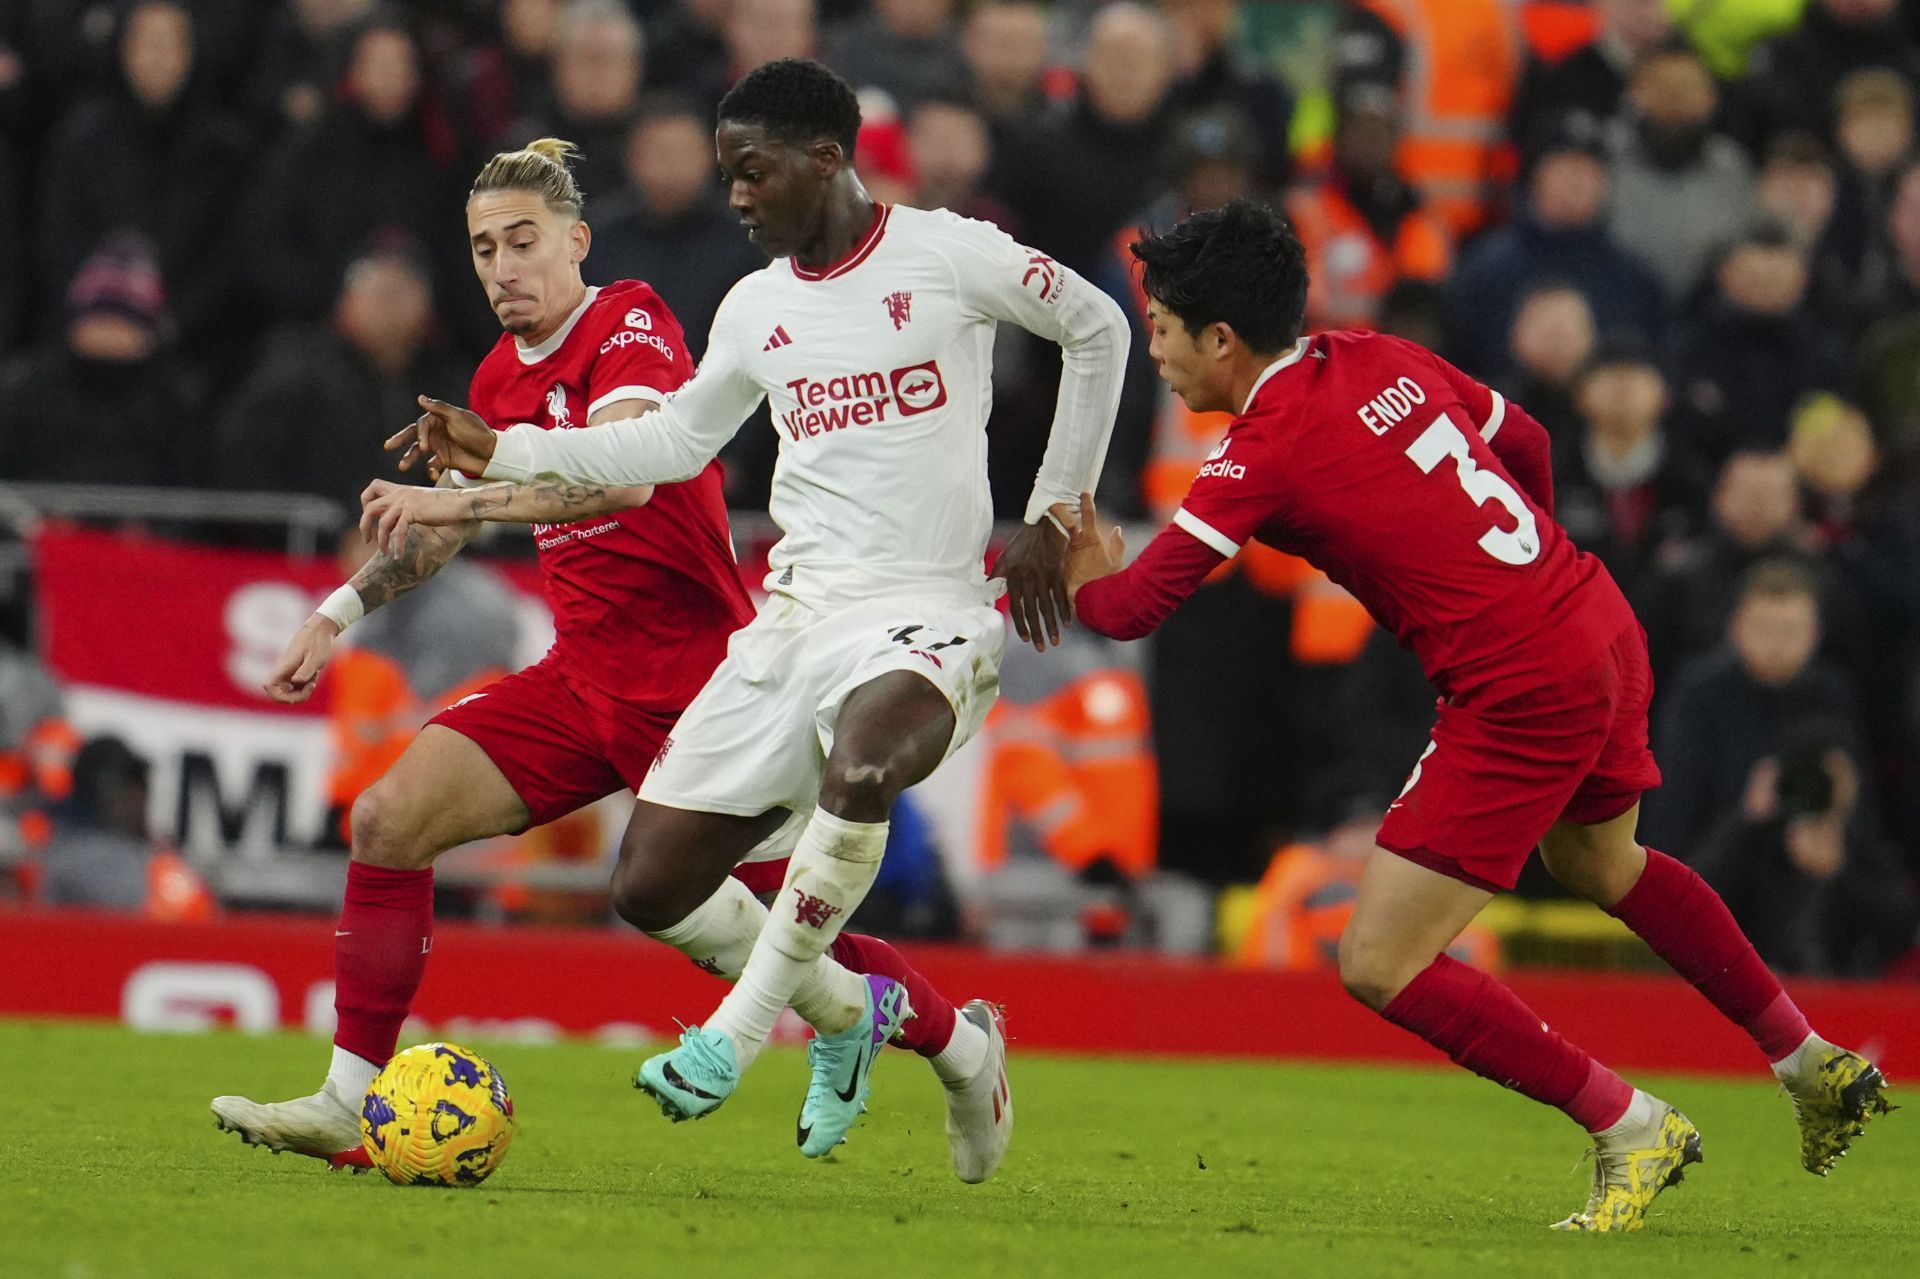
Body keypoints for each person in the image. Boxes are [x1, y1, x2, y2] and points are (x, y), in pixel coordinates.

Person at [1061, 199, 1892, 1232]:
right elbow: (1530, 440)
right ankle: (1809, 1060)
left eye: (1163, 331)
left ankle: (1628, 1123)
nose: (1158, 353)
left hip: (1522, 685)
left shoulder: (1258, 449)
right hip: (1595, 619)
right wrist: (1531, 575)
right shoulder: (1376, 356)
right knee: (1602, 866)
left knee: (1376, 961)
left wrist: (1081, 567)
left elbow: (1130, 610)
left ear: (1221, 338)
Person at [212, 135, 1004, 1183]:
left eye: (524, 241)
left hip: (708, 691)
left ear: (576, 241)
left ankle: (964, 1050)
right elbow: (447, 534)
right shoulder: (498, 376)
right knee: (389, 817)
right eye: (485, 247)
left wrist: (460, 491)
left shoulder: (630, 322)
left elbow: (621, 479)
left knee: (797, 943)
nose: (502, 267)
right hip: (581, 679)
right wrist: (343, 605)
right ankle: (348, 1100)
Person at [386, 59, 1128, 1160]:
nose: (734, 194)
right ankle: (964, 1052)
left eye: (752, 171)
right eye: (728, 173)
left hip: (925, 606)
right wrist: (513, 447)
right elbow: (674, 442)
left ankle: (732, 1038)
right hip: (791, 621)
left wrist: (1055, 508)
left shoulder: (948, 251)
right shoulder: (756, 307)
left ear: (827, 159)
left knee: (866, 765)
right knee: (650, 883)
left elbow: (1101, 327)